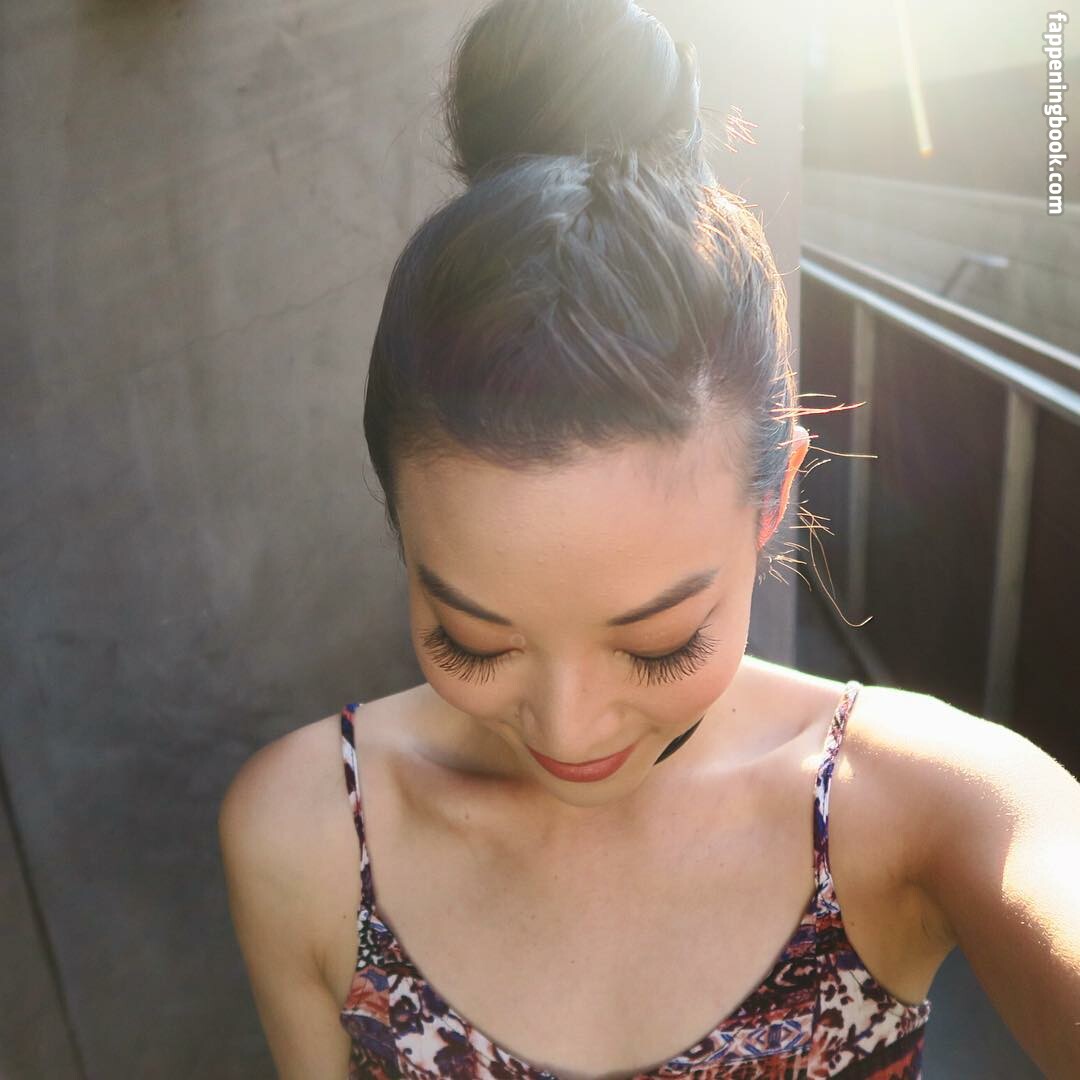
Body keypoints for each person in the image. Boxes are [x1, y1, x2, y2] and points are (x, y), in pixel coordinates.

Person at [217, 2, 1080, 1077]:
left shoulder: (924, 805)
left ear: (772, 502)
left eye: (660, 642)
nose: (569, 728)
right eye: (470, 639)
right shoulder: (304, 832)